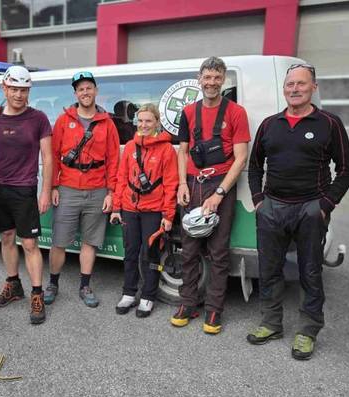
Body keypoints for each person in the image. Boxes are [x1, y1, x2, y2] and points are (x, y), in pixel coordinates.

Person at [247, 63, 349, 359]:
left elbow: (346, 169)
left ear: (313, 87)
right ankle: (271, 323)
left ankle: (308, 330)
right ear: (284, 89)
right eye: (290, 84)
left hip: (310, 208)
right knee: (269, 270)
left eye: (301, 84)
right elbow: (255, 166)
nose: (295, 89)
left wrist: (325, 205)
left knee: (310, 270)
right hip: (272, 208)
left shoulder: (329, 123)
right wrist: (259, 201)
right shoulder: (270, 124)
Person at [172, 56, 250, 334]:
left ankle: (214, 309)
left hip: (221, 184)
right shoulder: (188, 112)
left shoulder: (236, 112)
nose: (212, 82)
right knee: (189, 249)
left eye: (217, 77)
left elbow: (241, 158)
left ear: (223, 79)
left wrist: (219, 193)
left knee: (218, 252)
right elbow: (182, 151)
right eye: (207, 77)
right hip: (193, 184)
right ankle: (188, 302)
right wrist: (182, 184)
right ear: (199, 79)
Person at [43, 71, 120, 308]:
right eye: (80, 89)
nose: (85, 92)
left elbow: (113, 159)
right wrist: (54, 186)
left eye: (89, 88)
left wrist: (111, 193)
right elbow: (53, 155)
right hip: (68, 188)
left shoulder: (107, 123)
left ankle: (85, 286)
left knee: (90, 242)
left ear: (96, 91)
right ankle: (53, 283)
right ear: (75, 94)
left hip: (97, 190)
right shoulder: (63, 120)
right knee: (59, 241)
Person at [0, 66, 52, 324]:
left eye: (23, 90)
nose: (18, 95)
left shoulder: (38, 119)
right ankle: (13, 285)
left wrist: (45, 192)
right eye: (14, 89)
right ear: (4, 88)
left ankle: (37, 293)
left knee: (30, 244)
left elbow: (48, 157)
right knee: (6, 237)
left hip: (24, 188)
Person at [110, 104, 178, 317]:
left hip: (153, 210)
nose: (143, 125)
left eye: (148, 121)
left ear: (157, 123)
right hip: (130, 208)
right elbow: (121, 178)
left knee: (151, 254)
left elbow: (171, 184)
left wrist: (168, 215)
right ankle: (129, 293)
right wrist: (116, 207)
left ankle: (148, 296)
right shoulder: (130, 146)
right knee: (130, 253)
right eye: (140, 121)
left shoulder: (167, 149)